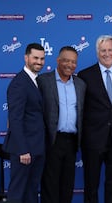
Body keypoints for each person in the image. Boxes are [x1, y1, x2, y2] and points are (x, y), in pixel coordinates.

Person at [77, 35, 112, 203]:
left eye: (110, 50)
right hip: (93, 140)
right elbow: (79, 108)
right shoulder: (85, 75)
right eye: (103, 50)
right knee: (91, 186)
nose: (107, 54)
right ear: (97, 53)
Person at [37, 46, 86, 203]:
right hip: (51, 141)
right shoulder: (43, 81)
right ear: (58, 60)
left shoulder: (80, 85)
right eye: (66, 60)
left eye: (73, 62)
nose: (69, 65)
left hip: (71, 142)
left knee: (67, 186)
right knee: (50, 186)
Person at [2, 43, 46, 203]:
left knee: (31, 192)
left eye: (42, 59)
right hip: (25, 151)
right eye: (35, 58)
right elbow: (15, 119)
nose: (39, 62)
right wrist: (22, 150)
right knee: (18, 193)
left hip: (37, 148)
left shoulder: (36, 80)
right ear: (26, 58)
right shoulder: (19, 83)